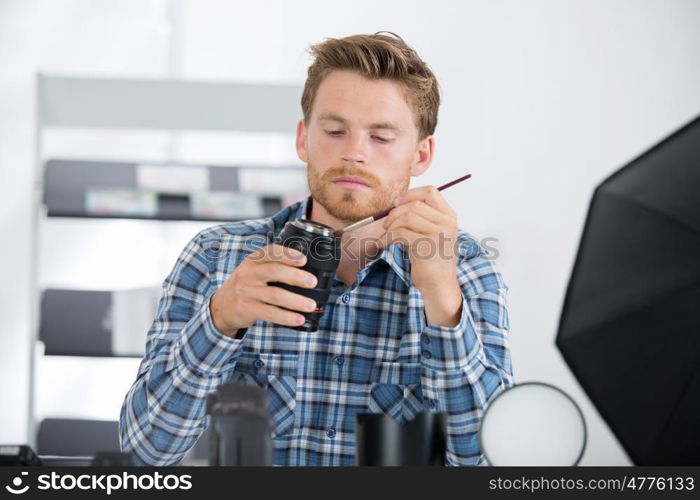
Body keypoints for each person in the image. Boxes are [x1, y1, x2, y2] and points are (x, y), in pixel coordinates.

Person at [119, 32, 513, 466]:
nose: (353, 154)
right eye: (335, 130)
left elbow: (486, 463)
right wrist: (221, 318)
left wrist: (442, 297)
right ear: (304, 138)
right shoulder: (215, 255)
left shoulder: (467, 267)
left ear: (421, 156)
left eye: (381, 137)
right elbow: (147, 451)